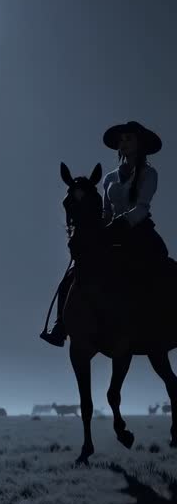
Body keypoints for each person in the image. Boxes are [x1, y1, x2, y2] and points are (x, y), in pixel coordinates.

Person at [40, 120, 166, 347]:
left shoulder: (150, 173)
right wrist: (94, 228)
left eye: (129, 138)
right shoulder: (109, 178)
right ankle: (61, 326)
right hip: (111, 233)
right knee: (74, 274)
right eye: (121, 139)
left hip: (139, 232)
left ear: (140, 144)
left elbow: (142, 207)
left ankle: (156, 321)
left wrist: (122, 222)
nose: (123, 143)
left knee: (153, 270)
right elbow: (106, 212)